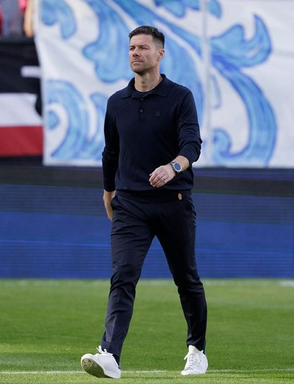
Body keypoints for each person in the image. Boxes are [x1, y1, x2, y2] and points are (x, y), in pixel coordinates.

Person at [80, 25, 208, 379]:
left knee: (186, 279)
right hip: (130, 205)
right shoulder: (116, 102)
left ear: (160, 54)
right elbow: (111, 152)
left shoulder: (180, 97)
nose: (135, 53)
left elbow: (192, 144)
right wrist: (108, 191)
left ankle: (197, 350)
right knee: (123, 275)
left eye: (143, 48)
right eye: (131, 48)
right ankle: (110, 355)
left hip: (173, 201)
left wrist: (173, 167)